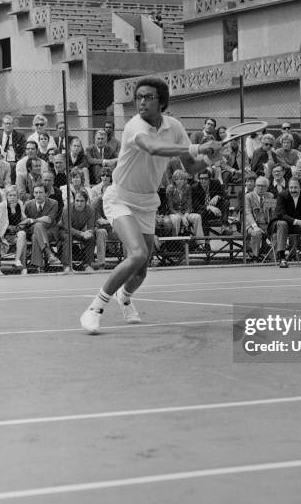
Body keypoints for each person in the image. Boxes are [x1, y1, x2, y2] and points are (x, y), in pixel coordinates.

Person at [80, 77, 221, 334]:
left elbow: (189, 167)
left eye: (148, 97)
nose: (142, 102)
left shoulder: (175, 127)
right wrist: (200, 145)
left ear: (162, 102)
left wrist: (211, 160)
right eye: (139, 97)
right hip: (120, 197)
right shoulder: (134, 126)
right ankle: (94, 308)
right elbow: (154, 148)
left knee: (141, 272)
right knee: (137, 254)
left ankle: (124, 296)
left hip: (147, 202)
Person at [59, 189, 98, 273]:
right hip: (65, 231)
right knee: (67, 237)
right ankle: (67, 266)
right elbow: (67, 227)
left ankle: (87, 264)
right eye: (77, 200)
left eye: (82, 201)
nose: (79, 203)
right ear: (74, 200)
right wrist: (81, 233)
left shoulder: (90, 209)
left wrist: (89, 233)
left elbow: (91, 227)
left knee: (91, 237)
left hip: (80, 231)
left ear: (86, 202)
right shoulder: (67, 208)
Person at [1, 185, 28, 274]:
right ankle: (23, 267)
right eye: (10, 195)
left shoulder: (19, 205)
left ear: (17, 197)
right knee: (22, 241)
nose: (12, 198)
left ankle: (17, 261)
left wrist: (21, 224)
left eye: (14, 195)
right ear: (6, 196)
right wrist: (8, 227)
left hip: (16, 233)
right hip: (5, 234)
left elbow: (23, 220)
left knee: (22, 235)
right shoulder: (2, 206)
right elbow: (0, 224)